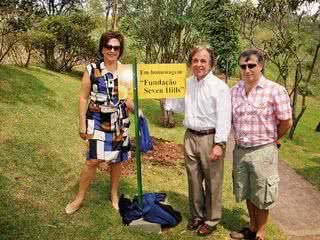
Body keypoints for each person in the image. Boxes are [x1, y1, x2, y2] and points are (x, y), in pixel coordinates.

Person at [65, 31, 135, 214]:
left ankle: (113, 193)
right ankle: (79, 198)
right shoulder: (92, 69)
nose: (112, 50)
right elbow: (83, 98)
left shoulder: (126, 71)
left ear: (120, 50)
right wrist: (82, 124)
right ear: (102, 48)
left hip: (119, 121)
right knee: (93, 160)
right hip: (96, 119)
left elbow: (129, 100)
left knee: (117, 160)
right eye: (108, 46)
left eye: (116, 47)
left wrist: (139, 110)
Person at [165, 46, 231, 236]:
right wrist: (166, 96)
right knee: (193, 179)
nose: (199, 64)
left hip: (211, 138)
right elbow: (177, 105)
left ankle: (211, 219)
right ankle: (196, 216)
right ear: (190, 63)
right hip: (190, 136)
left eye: (203, 61)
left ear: (210, 64)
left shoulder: (220, 87)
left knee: (213, 181)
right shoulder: (187, 83)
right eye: (195, 60)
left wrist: (220, 144)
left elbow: (224, 118)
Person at [230, 49, 292, 240]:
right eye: (243, 66)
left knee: (263, 193)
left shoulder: (275, 90)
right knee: (248, 190)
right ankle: (251, 226)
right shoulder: (234, 91)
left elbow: (286, 122)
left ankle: (261, 232)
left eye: (251, 65)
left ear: (261, 65)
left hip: (263, 150)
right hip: (241, 150)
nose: (247, 70)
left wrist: (274, 138)